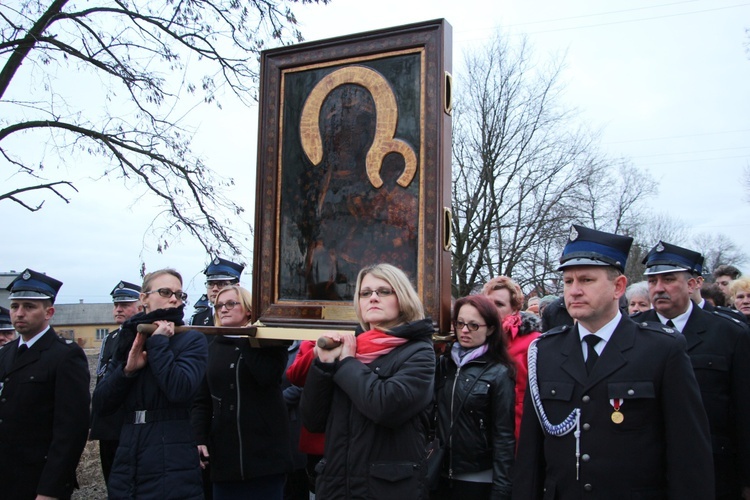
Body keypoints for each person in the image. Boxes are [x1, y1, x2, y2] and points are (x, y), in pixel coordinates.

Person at [513, 226, 714, 499]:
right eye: (568, 281)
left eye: (586, 280)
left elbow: (688, 451)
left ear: (618, 286)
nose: (574, 291)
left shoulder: (661, 349)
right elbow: (531, 453)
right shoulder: (545, 350)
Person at [300, 263, 435, 498]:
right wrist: (322, 366)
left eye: (384, 291)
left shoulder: (419, 352)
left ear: (402, 298)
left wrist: (346, 364)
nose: (373, 298)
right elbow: (313, 420)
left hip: (387, 489)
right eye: (365, 293)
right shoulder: (348, 348)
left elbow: (386, 406)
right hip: (337, 487)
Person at [634, 241, 750, 499]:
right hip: (645, 472)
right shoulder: (631, 331)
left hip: (714, 468)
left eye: (668, 279)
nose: (658, 288)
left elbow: (744, 411)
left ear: (693, 284)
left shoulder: (729, 333)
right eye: (652, 281)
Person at [93, 268, 208, 499]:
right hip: (128, 449)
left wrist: (158, 345)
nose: (174, 298)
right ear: (144, 298)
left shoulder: (191, 339)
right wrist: (127, 372)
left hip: (171, 449)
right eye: (165, 292)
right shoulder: (129, 339)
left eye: (179, 294)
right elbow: (101, 404)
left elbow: (180, 389)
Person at [191, 285, 292, 499]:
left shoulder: (270, 344)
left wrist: (246, 337)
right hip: (224, 457)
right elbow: (202, 401)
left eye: (230, 304)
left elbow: (267, 377)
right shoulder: (212, 347)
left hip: (265, 455)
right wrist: (198, 438)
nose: (223, 309)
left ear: (247, 309)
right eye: (218, 305)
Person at [0, 269, 90, 500]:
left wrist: (50, 489)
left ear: (49, 312)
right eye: (15, 306)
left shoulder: (65, 356)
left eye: (29, 306)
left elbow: (71, 431)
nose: (19, 313)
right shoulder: (6, 353)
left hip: (37, 481)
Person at [433, 294, 515, 499]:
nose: (465, 330)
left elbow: (503, 434)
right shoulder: (443, 364)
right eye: (459, 324)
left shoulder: (498, 372)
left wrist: (502, 487)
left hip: (478, 477)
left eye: (474, 325)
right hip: (438, 471)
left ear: (491, 329)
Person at [90, 280, 142, 485]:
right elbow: (101, 376)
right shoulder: (110, 338)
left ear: (140, 306)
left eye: (125, 305)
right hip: (107, 424)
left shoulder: (142, 336)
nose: (118, 309)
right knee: (111, 481)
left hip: (128, 422)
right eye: (116, 305)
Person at [482, 276, 541, 441]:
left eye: (499, 304)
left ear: (514, 309)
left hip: (517, 432)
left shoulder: (533, 343)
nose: (492, 309)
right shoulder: (475, 340)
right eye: (488, 303)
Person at [191, 257, 244, 326]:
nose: (214, 289)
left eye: (221, 284)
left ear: (237, 287)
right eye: (210, 284)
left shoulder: (247, 317)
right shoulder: (198, 319)